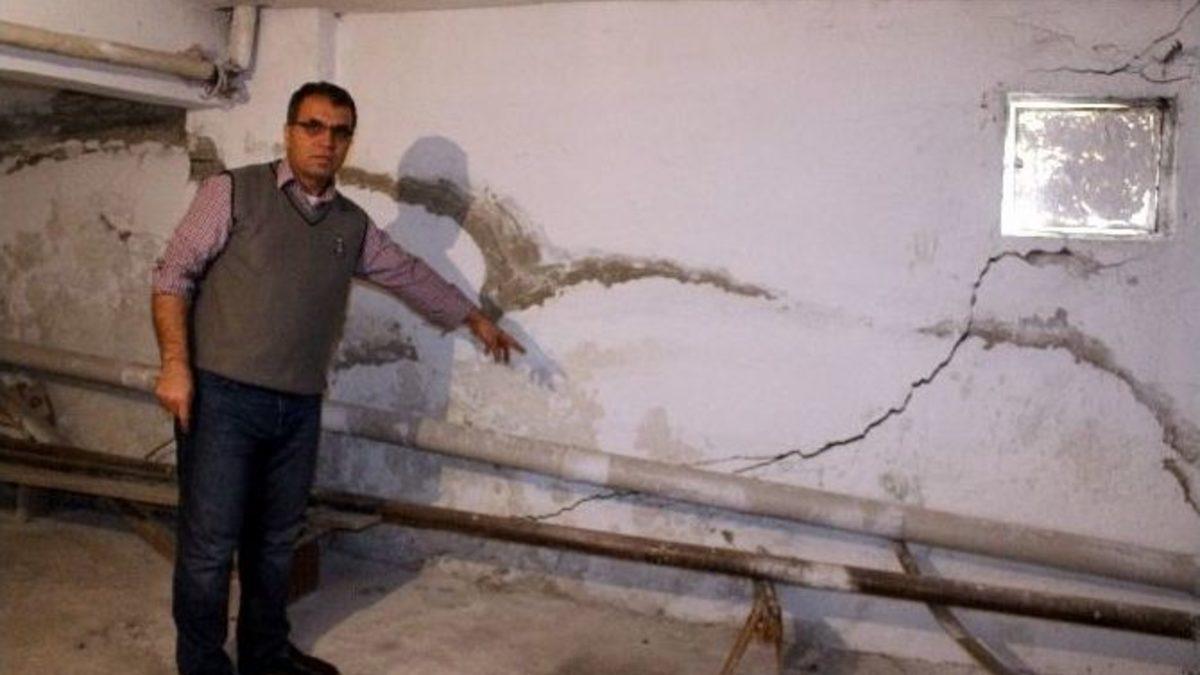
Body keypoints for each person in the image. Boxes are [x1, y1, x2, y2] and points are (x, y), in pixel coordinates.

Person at [151, 81, 522, 675]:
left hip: (298, 405)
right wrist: (174, 365)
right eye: (313, 127)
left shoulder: (351, 224)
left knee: (276, 543)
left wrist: (473, 317)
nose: (326, 142)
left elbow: (407, 273)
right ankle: (202, 667)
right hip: (221, 398)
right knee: (210, 547)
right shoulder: (232, 192)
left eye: (340, 132)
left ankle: (265, 657)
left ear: (349, 142)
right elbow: (173, 276)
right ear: (289, 132)